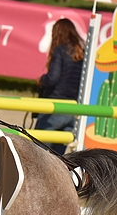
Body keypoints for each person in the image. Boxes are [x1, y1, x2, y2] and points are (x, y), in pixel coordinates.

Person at [35, 18, 85, 154]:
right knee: (58, 159)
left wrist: (42, 80)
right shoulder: (82, 53)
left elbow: (53, 78)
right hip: (72, 110)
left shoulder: (60, 50)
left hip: (54, 108)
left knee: (39, 154)